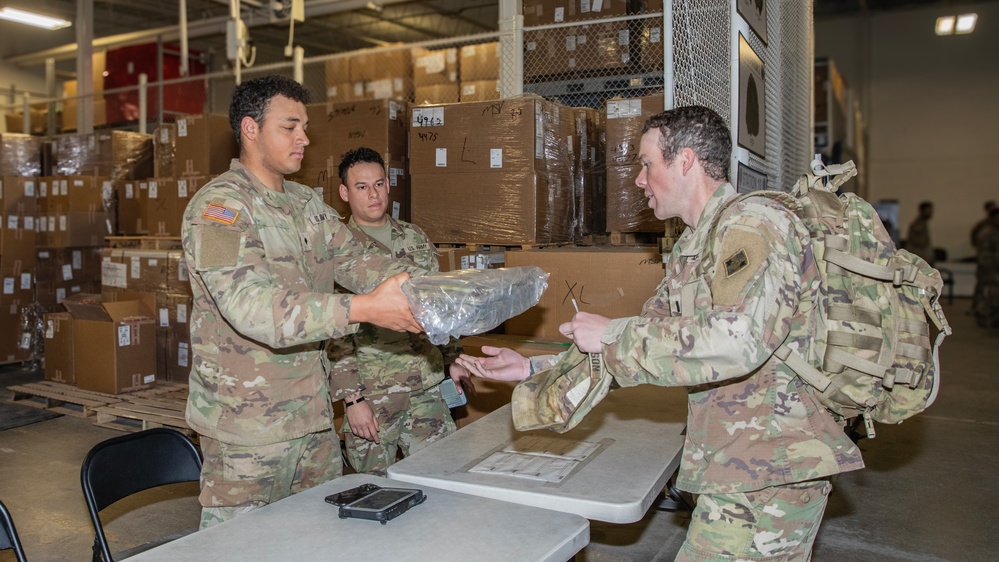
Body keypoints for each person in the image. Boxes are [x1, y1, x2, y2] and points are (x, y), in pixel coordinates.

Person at [456, 106, 864, 561]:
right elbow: (646, 341)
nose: (638, 180)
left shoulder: (754, 224)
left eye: (647, 164)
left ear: (685, 161)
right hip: (738, 461)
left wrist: (612, 333)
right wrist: (534, 368)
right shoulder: (693, 245)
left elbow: (737, 341)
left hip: (773, 465)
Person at [182, 75, 424, 529]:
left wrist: (431, 290)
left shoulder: (306, 203)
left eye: (305, 127)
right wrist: (362, 309)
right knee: (239, 549)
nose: (304, 139)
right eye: (290, 127)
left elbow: (358, 259)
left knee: (318, 538)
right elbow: (250, 306)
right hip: (249, 430)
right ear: (251, 129)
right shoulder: (218, 211)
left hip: (312, 418)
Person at [328, 147, 474, 476]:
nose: (373, 194)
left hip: (427, 385)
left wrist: (452, 358)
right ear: (344, 193)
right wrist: (352, 400)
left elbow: (439, 307)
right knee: (375, 488)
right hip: (374, 393)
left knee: (441, 477)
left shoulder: (414, 237)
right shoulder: (338, 249)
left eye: (379, 184)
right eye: (361, 187)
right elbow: (335, 330)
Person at [973, 207, 999, 328]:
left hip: (995, 268)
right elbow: (984, 255)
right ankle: (982, 313)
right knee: (990, 293)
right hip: (989, 269)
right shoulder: (987, 233)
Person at [907, 201, 935, 265]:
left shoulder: (923, 223)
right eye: (928, 210)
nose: (930, 212)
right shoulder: (918, 224)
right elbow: (918, 243)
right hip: (919, 260)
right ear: (923, 211)